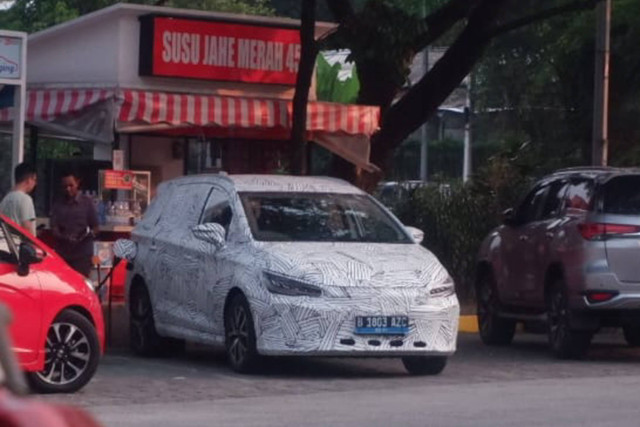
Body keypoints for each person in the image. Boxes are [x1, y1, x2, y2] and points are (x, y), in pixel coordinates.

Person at [50, 171, 99, 277]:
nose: (68, 189)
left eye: (71, 185)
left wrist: (86, 235)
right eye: (65, 186)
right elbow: (54, 228)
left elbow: (95, 227)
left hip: (82, 255)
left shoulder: (87, 203)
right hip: (63, 254)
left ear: (77, 183)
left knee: (81, 284)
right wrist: (64, 237)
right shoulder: (57, 204)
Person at [0, 163, 37, 235]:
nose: (35, 184)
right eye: (34, 180)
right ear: (29, 180)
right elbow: (27, 227)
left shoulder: (5, 200)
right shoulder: (25, 199)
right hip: (21, 244)